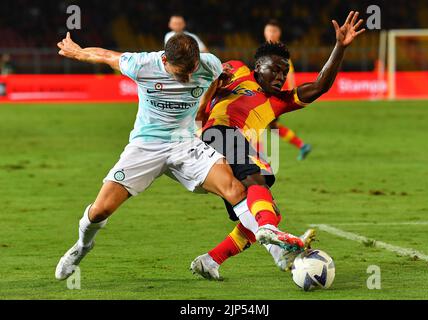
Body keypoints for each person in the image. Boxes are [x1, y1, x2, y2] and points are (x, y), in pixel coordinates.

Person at [54, 32, 313, 281]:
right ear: (165, 61)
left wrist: (207, 102)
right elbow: (105, 55)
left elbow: (215, 76)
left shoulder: (208, 64)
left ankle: (278, 251)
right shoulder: (142, 64)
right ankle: (82, 245)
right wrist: (77, 53)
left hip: (186, 144)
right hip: (146, 146)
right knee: (100, 211)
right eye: (182, 72)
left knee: (236, 190)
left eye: (192, 69)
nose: (189, 76)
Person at [190, 11, 365, 280]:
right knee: (257, 182)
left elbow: (320, 85)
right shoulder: (236, 68)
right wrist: (214, 82)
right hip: (218, 132)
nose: (281, 77)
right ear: (258, 66)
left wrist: (339, 47)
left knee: (263, 211)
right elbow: (204, 76)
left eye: (285, 72)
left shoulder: (279, 101)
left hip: (231, 144)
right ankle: (276, 242)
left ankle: (211, 260)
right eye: (275, 69)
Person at [264, 19, 312, 160]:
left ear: (279, 33)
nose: (270, 34)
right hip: (267, 93)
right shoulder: (266, 49)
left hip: (274, 93)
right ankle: (302, 145)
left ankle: (255, 158)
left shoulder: (280, 51)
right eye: (268, 30)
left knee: (259, 123)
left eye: (273, 31)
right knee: (271, 125)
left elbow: (290, 71)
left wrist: (292, 92)